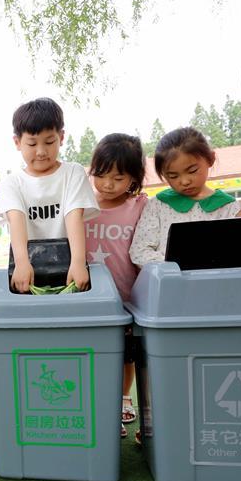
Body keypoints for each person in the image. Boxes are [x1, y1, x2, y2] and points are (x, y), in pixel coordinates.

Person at [0, 98, 98, 293]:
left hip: (68, 267)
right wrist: (22, 263)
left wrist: (78, 263)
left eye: (50, 142)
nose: (41, 152)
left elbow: (73, 216)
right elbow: (17, 222)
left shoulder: (73, 173)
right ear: (17, 142)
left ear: (61, 137)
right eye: (32, 144)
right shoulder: (11, 183)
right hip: (29, 268)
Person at [84, 134, 148, 438]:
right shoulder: (81, 202)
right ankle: (101, 402)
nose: (107, 184)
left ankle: (124, 397)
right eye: (101, 174)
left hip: (126, 292)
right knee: (96, 352)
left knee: (127, 353)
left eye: (118, 177)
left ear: (133, 178)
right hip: (89, 297)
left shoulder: (138, 206)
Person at [128, 127, 241, 267]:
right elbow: (139, 251)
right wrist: (178, 266)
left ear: (211, 159)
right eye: (173, 176)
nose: (184, 181)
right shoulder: (158, 205)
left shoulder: (229, 208)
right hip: (169, 284)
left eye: (192, 171)